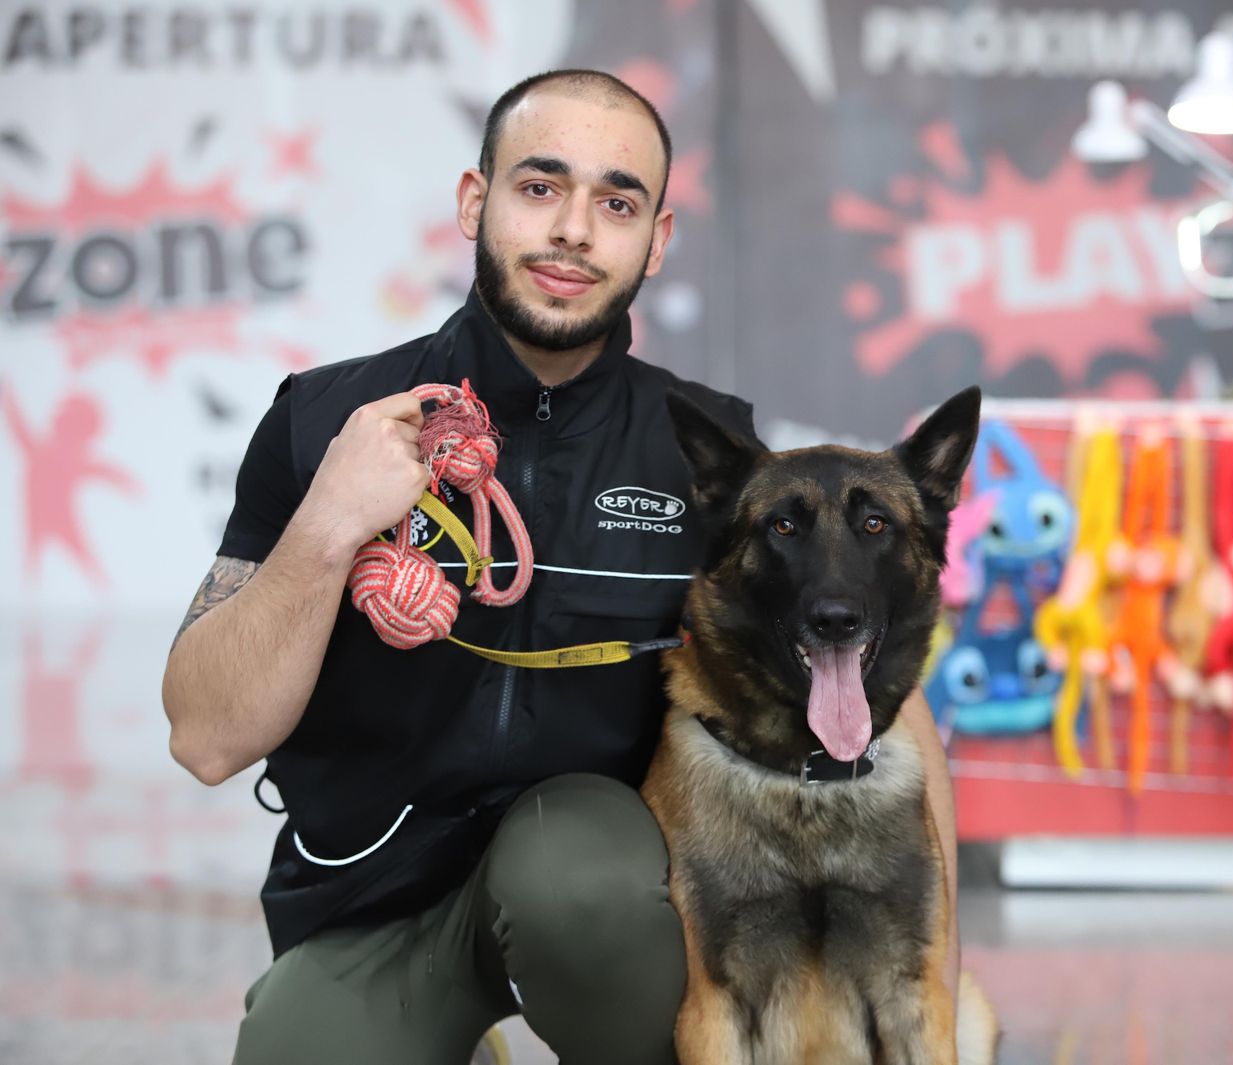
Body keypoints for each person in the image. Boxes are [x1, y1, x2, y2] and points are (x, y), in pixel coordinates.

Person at [160, 69, 962, 1065]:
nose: (575, 230)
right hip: (375, 897)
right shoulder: (327, 418)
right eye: (540, 188)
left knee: (579, 877)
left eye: (616, 202)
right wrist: (328, 523)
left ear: (656, 240)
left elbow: (877, 688)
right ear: (474, 200)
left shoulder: (714, 456)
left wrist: (934, 954)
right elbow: (203, 736)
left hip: (609, 893)